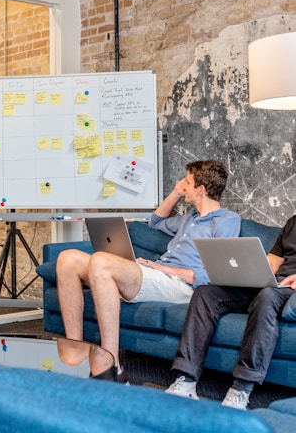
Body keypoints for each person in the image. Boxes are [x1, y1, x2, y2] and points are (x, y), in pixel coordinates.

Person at [56, 159, 241, 383]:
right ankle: (75, 346)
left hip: (181, 286)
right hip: (157, 275)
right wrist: (175, 192)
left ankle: (112, 364)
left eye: (187, 181)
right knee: (68, 259)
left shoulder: (227, 221)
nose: (182, 184)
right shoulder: (189, 219)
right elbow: (155, 222)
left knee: (101, 262)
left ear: (200, 190)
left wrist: (166, 269)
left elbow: (216, 273)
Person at [165, 215, 296, 410]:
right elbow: (272, 264)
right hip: (274, 283)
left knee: (267, 296)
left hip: (289, 291)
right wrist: (247, 273)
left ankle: (241, 388)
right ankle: (186, 380)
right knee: (205, 293)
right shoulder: (293, 222)